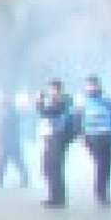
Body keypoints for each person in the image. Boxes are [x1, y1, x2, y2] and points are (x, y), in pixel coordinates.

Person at [78, 76, 111, 206]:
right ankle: (100, 192)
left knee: (105, 164)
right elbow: (77, 120)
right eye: (89, 86)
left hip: (107, 135)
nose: (91, 88)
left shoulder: (107, 101)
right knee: (101, 163)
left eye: (93, 85)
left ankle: (101, 192)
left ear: (99, 86)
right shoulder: (83, 103)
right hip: (91, 137)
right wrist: (81, 135)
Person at [36, 79, 75, 208]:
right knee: (49, 166)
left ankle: (57, 198)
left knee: (53, 167)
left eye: (52, 89)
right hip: (53, 136)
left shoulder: (63, 102)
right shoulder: (60, 101)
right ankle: (55, 196)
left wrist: (39, 101)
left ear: (58, 90)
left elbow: (45, 113)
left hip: (59, 136)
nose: (50, 92)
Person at [0, 93, 29, 188]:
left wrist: (2, 139)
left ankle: (23, 178)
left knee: (14, 161)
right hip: (9, 141)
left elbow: (7, 128)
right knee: (7, 161)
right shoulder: (7, 112)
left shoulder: (10, 112)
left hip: (10, 141)